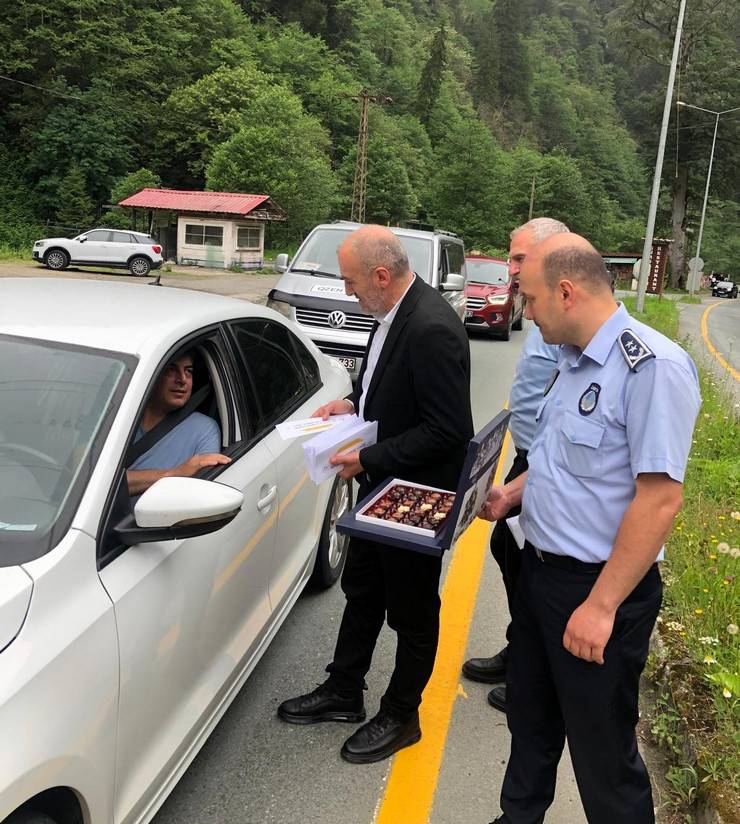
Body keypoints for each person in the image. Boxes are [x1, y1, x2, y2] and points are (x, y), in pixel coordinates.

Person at [482, 233, 700, 824]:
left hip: (597, 593)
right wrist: (511, 495)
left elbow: (659, 500)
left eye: (529, 299)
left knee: (603, 757)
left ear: (566, 291)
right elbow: (559, 461)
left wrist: (601, 607)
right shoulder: (573, 360)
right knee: (529, 722)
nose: (527, 313)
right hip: (541, 579)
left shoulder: (651, 367)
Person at [277, 224, 474, 764]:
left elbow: (447, 430)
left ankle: (401, 712)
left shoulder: (432, 327)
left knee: (412, 611)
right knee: (363, 588)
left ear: (381, 275)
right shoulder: (392, 312)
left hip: (415, 494)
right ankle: (344, 690)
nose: (347, 292)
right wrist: (354, 406)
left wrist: (367, 456)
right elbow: (388, 381)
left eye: (351, 282)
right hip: (382, 484)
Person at [462, 218, 567, 714]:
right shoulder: (540, 307)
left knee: (535, 566)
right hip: (528, 454)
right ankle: (520, 649)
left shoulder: (571, 316)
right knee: (509, 548)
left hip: (551, 465)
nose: (511, 267)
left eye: (520, 258)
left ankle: (535, 673)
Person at [126, 351, 230, 496]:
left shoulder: (205, 429)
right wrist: (176, 473)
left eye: (188, 371)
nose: (182, 379)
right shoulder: (120, 422)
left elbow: (198, 495)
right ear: (150, 377)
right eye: (171, 369)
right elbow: (96, 484)